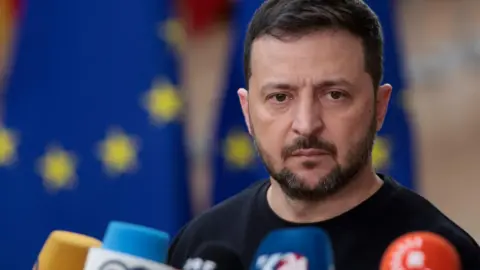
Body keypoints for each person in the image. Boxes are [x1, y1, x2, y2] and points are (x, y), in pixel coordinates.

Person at [168, 0, 480, 269]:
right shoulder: (199, 245)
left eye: (334, 95)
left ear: (380, 107)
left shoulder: (442, 255)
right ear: (247, 112)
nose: (306, 124)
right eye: (280, 97)